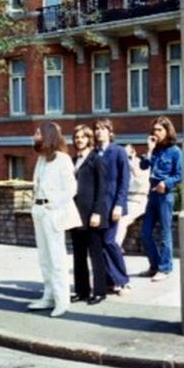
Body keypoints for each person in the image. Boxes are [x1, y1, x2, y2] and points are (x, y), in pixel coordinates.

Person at [29, 122, 82, 317]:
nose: (35, 136)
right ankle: (48, 296)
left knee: (56, 258)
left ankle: (62, 300)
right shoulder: (41, 159)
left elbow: (71, 189)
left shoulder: (63, 159)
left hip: (53, 212)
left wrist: (53, 205)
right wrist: (36, 207)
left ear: (48, 135)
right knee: (44, 258)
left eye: (38, 133)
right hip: (39, 211)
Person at [138, 116, 183, 282]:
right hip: (152, 194)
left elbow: (179, 175)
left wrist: (166, 183)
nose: (156, 133)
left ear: (167, 131)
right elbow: (143, 166)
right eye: (154, 130)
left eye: (159, 130)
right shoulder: (155, 150)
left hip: (165, 194)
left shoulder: (175, 152)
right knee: (145, 233)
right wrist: (149, 150)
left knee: (165, 233)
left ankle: (165, 268)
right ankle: (154, 265)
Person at [70, 124, 108, 305]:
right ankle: (81, 291)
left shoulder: (96, 159)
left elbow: (102, 189)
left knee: (95, 255)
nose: (79, 140)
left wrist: (97, 213)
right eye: (77, 137)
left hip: (92, 215)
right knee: (78, 255)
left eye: (83, 137)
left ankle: (100, 291)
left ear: (89, 139)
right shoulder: (72, 160)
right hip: (76, 215)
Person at [93, 118, 131, 294]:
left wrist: (119, 205)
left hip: (112, 205)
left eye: (103, 128)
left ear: (110, 132)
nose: (99, 132)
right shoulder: (93, 153)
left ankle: (122, 280)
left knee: (110, 242)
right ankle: (107, 281)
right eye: (96, 129)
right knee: (99, 244)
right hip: (96, 208)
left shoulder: (118, 152)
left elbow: (124, 181)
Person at [114, 144, 150, 250]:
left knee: (122, 220)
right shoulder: (120, 166)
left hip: (138, 199)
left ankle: (115, 247)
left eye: (129, 156)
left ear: (134, 153)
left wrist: (133, 169)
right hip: (125, 200)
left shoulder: (141, 164)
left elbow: (142, 183)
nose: (126, 159)